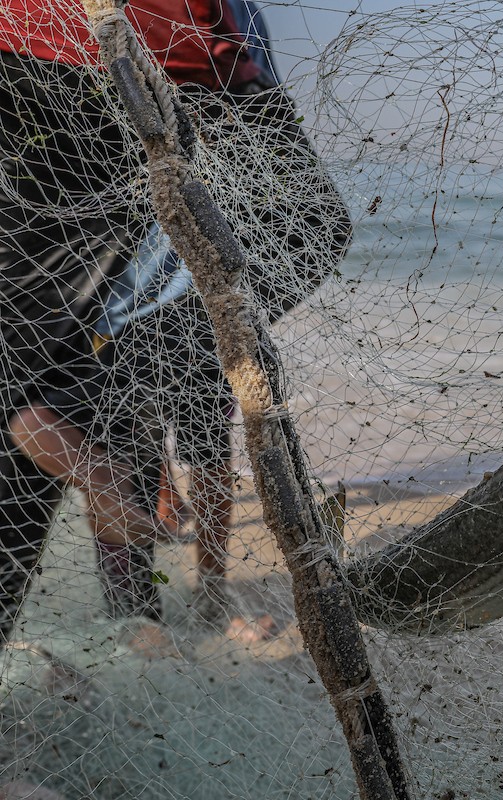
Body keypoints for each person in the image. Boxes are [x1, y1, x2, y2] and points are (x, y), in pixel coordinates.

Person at [0, 0, 350, 644]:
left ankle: (164, 606)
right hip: (108, 64)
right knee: (74, 392)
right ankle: (139, 612)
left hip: (116, 67)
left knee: (59, 379)